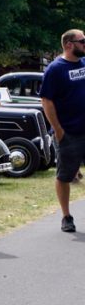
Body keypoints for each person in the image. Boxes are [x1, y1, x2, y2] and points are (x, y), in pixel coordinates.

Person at [39, 29, 85, 233]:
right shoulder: (55, 69)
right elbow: (46, 101)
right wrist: (58, 130)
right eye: (82, 41)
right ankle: (66, 216)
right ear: (68, 44)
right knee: (65, 176)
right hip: (68, 132)